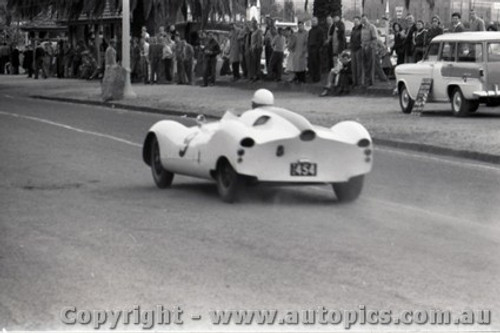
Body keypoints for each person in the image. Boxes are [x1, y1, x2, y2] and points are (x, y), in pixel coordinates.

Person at [360, 15, 378, 86]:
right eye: (362, 20)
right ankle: (365, 81)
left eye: (365, 19)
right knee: (365, 65)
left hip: (370, 48)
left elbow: (375, 38)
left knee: (370, 65)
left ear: (367, 19)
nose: (363, 21)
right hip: (363, 48)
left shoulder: (372, 27)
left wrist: (370, 46)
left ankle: (371, 81)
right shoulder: (362, 28)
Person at [307, 17, 324, 83]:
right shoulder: (311, 31)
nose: (313, 22)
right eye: (312, 21)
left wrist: (317, 48)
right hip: (310, 48)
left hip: (316, 49)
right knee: (311, 64)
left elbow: (320, 40)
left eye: (314, 21)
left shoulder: (320, 30)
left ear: (317, 21)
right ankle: (312, 77)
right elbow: (309, 39)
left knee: (317, 64)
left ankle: (317, 78)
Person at [350, 16, 363, 87]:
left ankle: (359, 82)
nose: (355, 22)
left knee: (359, 66)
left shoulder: (361, 29)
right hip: (353, 49)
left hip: (359, 49)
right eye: (354, 21)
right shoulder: (353, 29)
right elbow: (351, 39)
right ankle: (354, 81)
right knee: (353, 66)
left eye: (356, 21)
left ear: (359, 21)